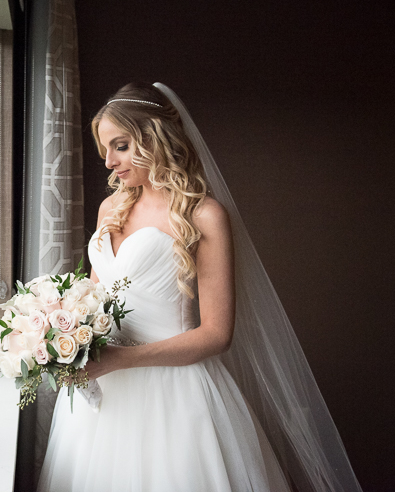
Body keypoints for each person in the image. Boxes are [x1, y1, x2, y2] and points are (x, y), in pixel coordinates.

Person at [36, 83, 361, 491]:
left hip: (176, 394)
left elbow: (217, 334)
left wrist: (120, 360)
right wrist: (58, 330)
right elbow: (95, 302)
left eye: (119, 146)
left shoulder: (204, 215)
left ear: (153, 136)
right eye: (105, 151)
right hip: (105, 396)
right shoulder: (111, 208)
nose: (109, 162)